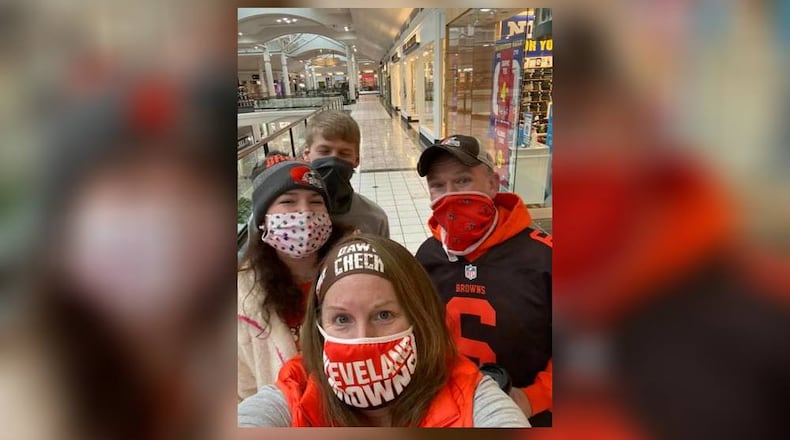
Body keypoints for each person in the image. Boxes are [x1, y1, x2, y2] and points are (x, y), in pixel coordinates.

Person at [238, 234, 530, 427]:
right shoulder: (295, 396)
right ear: (318, 326)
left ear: (419, 319)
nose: (362, 337)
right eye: (342, 319)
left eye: (384, 314)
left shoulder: (472, 398)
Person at [414, 134, 553, 426]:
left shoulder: (545, 259)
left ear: (492, 183)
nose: (449, 194)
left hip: (529, 416)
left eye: (462, 181)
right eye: (438, 186)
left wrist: (532, 398)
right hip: (448, 412)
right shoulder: (427, 256)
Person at [238, 157, 353, 401]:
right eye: (288, 201)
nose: (305, 212)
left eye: (315, 201)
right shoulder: (241, 296)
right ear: (262, 219)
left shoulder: (355, 270)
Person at [301, 109, 389, 237]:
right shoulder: (289, 218)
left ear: (356, 160)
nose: (333, 160)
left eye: (344, 153)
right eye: (324, 151)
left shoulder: (374, 218)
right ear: (306, 155)